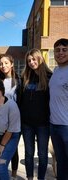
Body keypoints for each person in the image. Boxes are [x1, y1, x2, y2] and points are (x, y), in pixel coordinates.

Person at [20, 49, 52, 180]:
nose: (32, 62)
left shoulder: (50, 77)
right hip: (27, 124)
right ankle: (29, 177)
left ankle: (41, 178)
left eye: (34, 59)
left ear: (40, 58)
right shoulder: (25, 78)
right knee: (28, 153)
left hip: (43, 124)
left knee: (42, 154)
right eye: (29, 61)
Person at [0, 54, 21, 179]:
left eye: (6, 63)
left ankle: (14, 174)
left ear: (12, 64)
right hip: (1, 119)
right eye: (1, 63)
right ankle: (2, 171)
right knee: (2, 145)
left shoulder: (19, 80)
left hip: (14, 119)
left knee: (13, 148)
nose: (3, 66)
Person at [49, 38, 68, 180]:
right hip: (54, 126)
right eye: (57, 50)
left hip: (67, 127)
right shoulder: (55, 71)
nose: (60, 53)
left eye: (64, 50)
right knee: (61, 163)